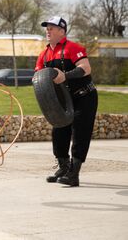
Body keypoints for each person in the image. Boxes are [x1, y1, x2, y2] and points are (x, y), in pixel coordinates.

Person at [35, 16, 98, 187]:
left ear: (62, 31)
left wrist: (66, 75)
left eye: (52, 28)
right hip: (64, 100)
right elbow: (39, 77)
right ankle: (63, 167)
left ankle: (74, 173)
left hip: (85, 96)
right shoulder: (44, 54)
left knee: (80, 132)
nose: (48, 30)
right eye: (46, 28)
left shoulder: (73, 48)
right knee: (59, 131)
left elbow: (86, 68)